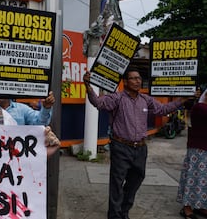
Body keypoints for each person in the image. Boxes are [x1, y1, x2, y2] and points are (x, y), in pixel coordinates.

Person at [83, 68, 194, 219]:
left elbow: (162, 109)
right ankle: (114, 215)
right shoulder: (117, 98)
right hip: (121, 147)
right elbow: (98, 102)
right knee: (117, 182)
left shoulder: (145, 100)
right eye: (133, 78)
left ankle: (124, 211)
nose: (137, 81)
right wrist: (88, 86)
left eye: (139, 78)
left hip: (140, 149)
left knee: (136, 180)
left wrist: (182, 100)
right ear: (125, 82)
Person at [177, 88, 207, 219]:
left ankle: (201, 206)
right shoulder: (200, 108)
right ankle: (187, 208)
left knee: (203, 181)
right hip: (199, 150)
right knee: (194, 178)